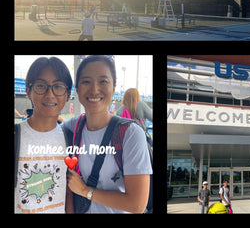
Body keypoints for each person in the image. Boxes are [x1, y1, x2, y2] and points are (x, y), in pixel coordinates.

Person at [65, 55, 152, 213]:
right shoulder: (72, 126)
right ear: (77, 89)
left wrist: (85, 190)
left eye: (103, 81)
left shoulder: (131, 134)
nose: (94, 89)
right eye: (86, 81)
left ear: (113, 88)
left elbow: (137, 205)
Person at [14, 57, 74, 213]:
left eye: (58, 87)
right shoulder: (16, 135)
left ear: (67, 94)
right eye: (41, 86)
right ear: (28, 91)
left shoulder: (70, 138)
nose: (50, 94)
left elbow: (68, 191)